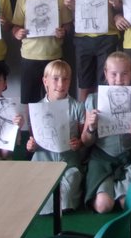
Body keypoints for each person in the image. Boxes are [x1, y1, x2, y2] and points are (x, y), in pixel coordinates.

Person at [83, 52, 131, 213]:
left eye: (124, 74)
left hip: (127, 157)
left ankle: (119, 191)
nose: (119, 79)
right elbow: (86, 141)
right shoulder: (94, 100)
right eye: (114, 74)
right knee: (103, 206)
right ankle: (107, 191)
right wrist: (90, 127)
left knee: (128, 205)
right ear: (105, 74)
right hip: (102, 156)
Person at [12, 0, 73, 104]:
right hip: (29, 56)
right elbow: (15, 27)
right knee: (30, 100)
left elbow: (68, 24)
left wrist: (63, 31)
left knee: (55, 99)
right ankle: (33, 128)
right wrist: (17, 33)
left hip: (54, 57)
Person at [27, 60, 86, 213]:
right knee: (37, 191)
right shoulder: (37, 108)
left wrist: (78, 143)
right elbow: (35, 140)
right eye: (55, 78)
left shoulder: (77, 106)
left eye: (65, 79)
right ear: (45, 81)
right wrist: (31, 146)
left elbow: (83, 139)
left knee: (66, 191)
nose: (61, 84)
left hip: (68, 159)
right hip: (43, 158)